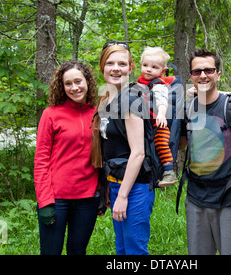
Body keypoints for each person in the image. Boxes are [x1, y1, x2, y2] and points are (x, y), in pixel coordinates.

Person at [178, 48, 231, 255]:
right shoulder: (187, 110)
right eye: (196, 71)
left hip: (230, 197)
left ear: (218, 74)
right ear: (191, 76)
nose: (202, 75)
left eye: (209, 70)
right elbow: (181, 145)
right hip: (195, 197)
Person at [91, 41, 155, 255]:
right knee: (122, 248)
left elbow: (138, 153)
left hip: (135, 186)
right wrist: (109, 186)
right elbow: (112, 148)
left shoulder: (130, 100)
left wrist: (123, 196)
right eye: (110, 63)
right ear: (102, 67)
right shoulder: (108, 99)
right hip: (118, 182)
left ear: (130, 67)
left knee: (134, 249)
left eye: (122, 63)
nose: (115, 68)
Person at [34, 60, 100, 255]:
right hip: (56, 198)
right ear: (61, 87)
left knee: (77, 251)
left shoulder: (98, 114)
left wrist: (103, 195)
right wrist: (45, 201)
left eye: (78, 81)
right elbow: (41, 160)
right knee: (50, 252)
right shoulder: (51, 114)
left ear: (88, 81)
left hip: (87, 199)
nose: (74, 87)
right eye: (68, 83)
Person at [137, 46, 178, 187]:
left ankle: (169, 171)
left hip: (159, 123)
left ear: (162, 71)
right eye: (145, 65)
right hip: (146, 124)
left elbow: (162, 101)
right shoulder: (140, 84)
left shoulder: (159, 85)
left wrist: (161, 114)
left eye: (154, 67)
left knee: (161, 143)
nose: (148, 69)